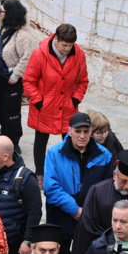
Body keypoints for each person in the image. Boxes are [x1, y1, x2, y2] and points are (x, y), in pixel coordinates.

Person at [42, 112, 114, 254]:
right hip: (60, 216)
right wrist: (75, 210)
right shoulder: (54, 153)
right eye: (77, 131)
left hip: (90, 218)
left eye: (86, 131)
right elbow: (51, 188)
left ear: (91, 132)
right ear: (69, 131)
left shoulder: (104, 155)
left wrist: (87, 211)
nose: (82, 135)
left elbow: (107, 189)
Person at [22, 23, 88, 178]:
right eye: (64, 45)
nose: (67, 49)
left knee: (70, 141)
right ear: (56, 39)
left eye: (70, 45)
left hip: (67, 106)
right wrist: (39, 101)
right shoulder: (39, 54)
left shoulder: (79, 55)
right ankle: (40, 173)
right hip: (45, 107)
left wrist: (75, 100)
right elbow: (28, 81)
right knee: (41, 140)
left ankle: (71, 172)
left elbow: (83, 81)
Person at [71, 150, 128, 254]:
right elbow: (87, 227)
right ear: (115, 175)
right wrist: (111, 243)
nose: (126, 186)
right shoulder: (97, 192)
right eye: (123, 181)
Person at [0, 0, 35, 150]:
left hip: (11, 80)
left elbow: (27, 57)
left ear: (10, 15)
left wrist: (15, 75)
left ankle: (13, 142)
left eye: (1, 11)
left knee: (11, 113)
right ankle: (4, 135)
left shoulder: (22, 35)